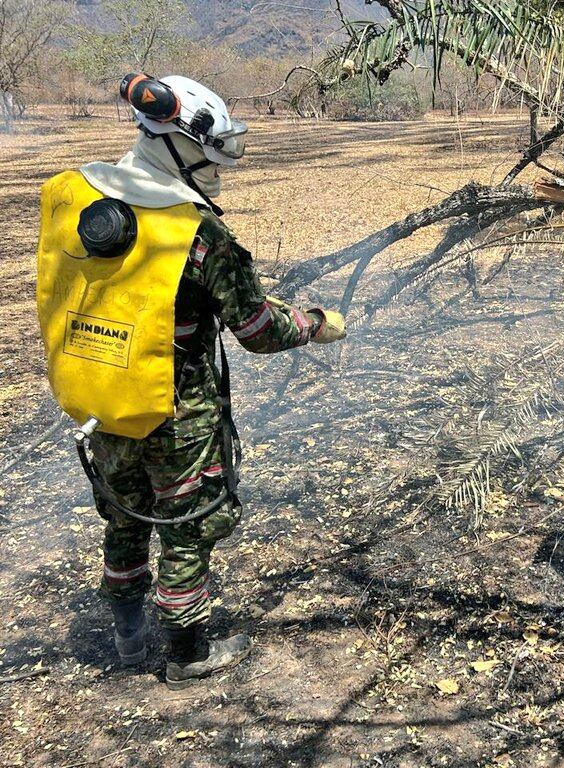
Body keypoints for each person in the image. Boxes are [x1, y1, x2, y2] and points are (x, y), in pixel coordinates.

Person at [35, 74, 346, 689]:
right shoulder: (196, 232)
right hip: (177, 413)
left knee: (123, 516)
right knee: (185, 525)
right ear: (183, 144)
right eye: (214, 153)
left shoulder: (73, 194)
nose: (219, 168)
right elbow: (258, 330)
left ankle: (127, 635)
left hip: (101, 399)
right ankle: (187, 652)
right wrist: (314, 323)